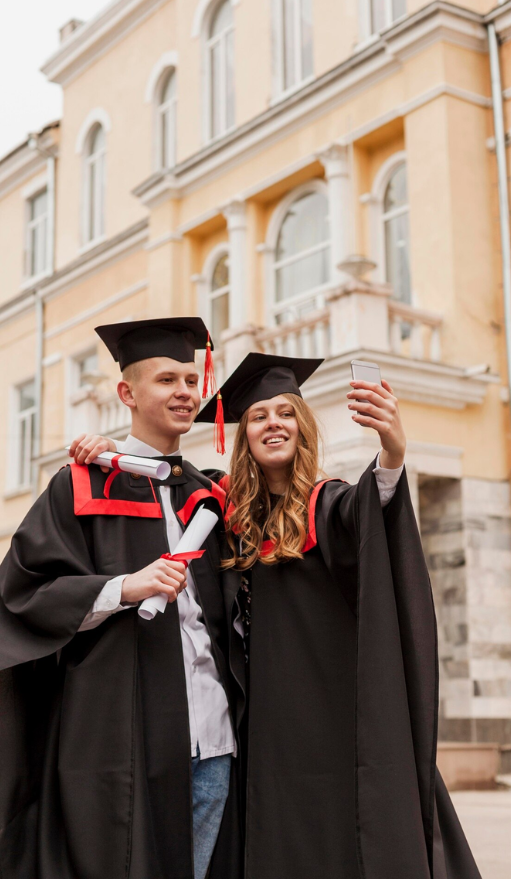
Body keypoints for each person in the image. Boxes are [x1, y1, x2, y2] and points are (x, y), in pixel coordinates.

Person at [0, 318, 241, 879]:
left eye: (191, 380)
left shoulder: (209, 494)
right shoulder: (82, 485)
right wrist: (122, 587)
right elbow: (25, 594)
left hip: (212, 739)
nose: (185, 392)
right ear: (127, 393)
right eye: (167, 379)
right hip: (122, 739)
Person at [192, 352, 482, 879]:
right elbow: (166, 480)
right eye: (258, 416)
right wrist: (107, 452)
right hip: (266, 720)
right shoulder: (229, 517)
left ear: (301, 428)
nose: (272, 423)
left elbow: (377, 502)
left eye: (284, 413)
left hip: (333, 709)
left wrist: (392, 447)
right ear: (245, 436)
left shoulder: (331, 504)